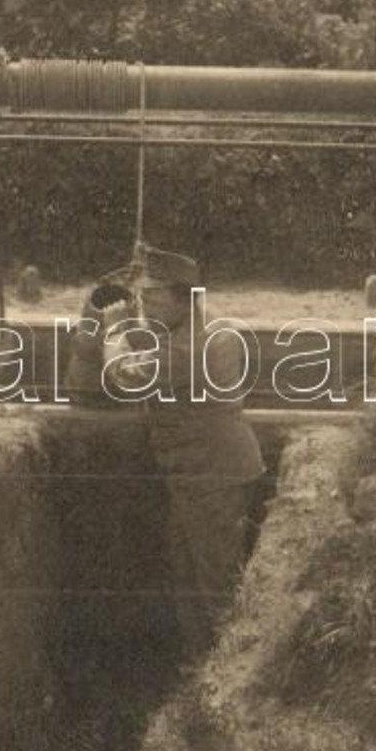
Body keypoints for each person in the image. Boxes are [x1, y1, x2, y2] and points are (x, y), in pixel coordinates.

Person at [65, 246, 265, 660]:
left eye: (153, 295)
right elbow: (85, 389)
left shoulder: (201, 342)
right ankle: (199, 673)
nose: (143, 303)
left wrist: (117, 328)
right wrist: (96, 310)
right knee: (187, 580)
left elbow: (124, 376)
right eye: (142, 295)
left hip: (215, 478)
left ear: (183, 296)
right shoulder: (177, 329)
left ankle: (222, 680)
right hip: (195, 477)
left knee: (216, 587)